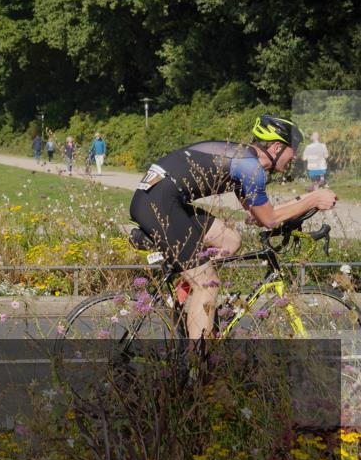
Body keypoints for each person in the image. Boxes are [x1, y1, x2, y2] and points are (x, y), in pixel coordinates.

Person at [128, 115, 337, 340]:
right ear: (277, 147)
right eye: (293, 149)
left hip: (160, 200)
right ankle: (197, 369)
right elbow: (270, 220)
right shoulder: (250, 166)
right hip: (158, 204)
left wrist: (303, 200)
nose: (294, 155)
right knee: (207, 284)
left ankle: (184, 294)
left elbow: (258, 215)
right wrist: (314, 198)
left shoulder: (243, 159)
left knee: (230, 240)